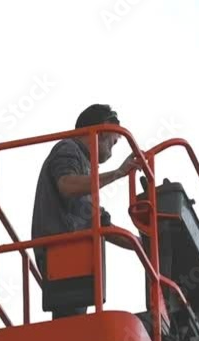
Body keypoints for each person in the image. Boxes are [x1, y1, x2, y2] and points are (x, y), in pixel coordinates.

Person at [31, 104, 140, 319]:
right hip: (61, 253)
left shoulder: (87, 171)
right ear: (104, 129)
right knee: (70, 328)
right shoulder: (68, 148)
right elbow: (66, 185)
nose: (113, 147)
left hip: (75, 257)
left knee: (73, 329)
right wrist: (117, 174)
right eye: (113, 140)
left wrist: (143, 245)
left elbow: (102, 226)